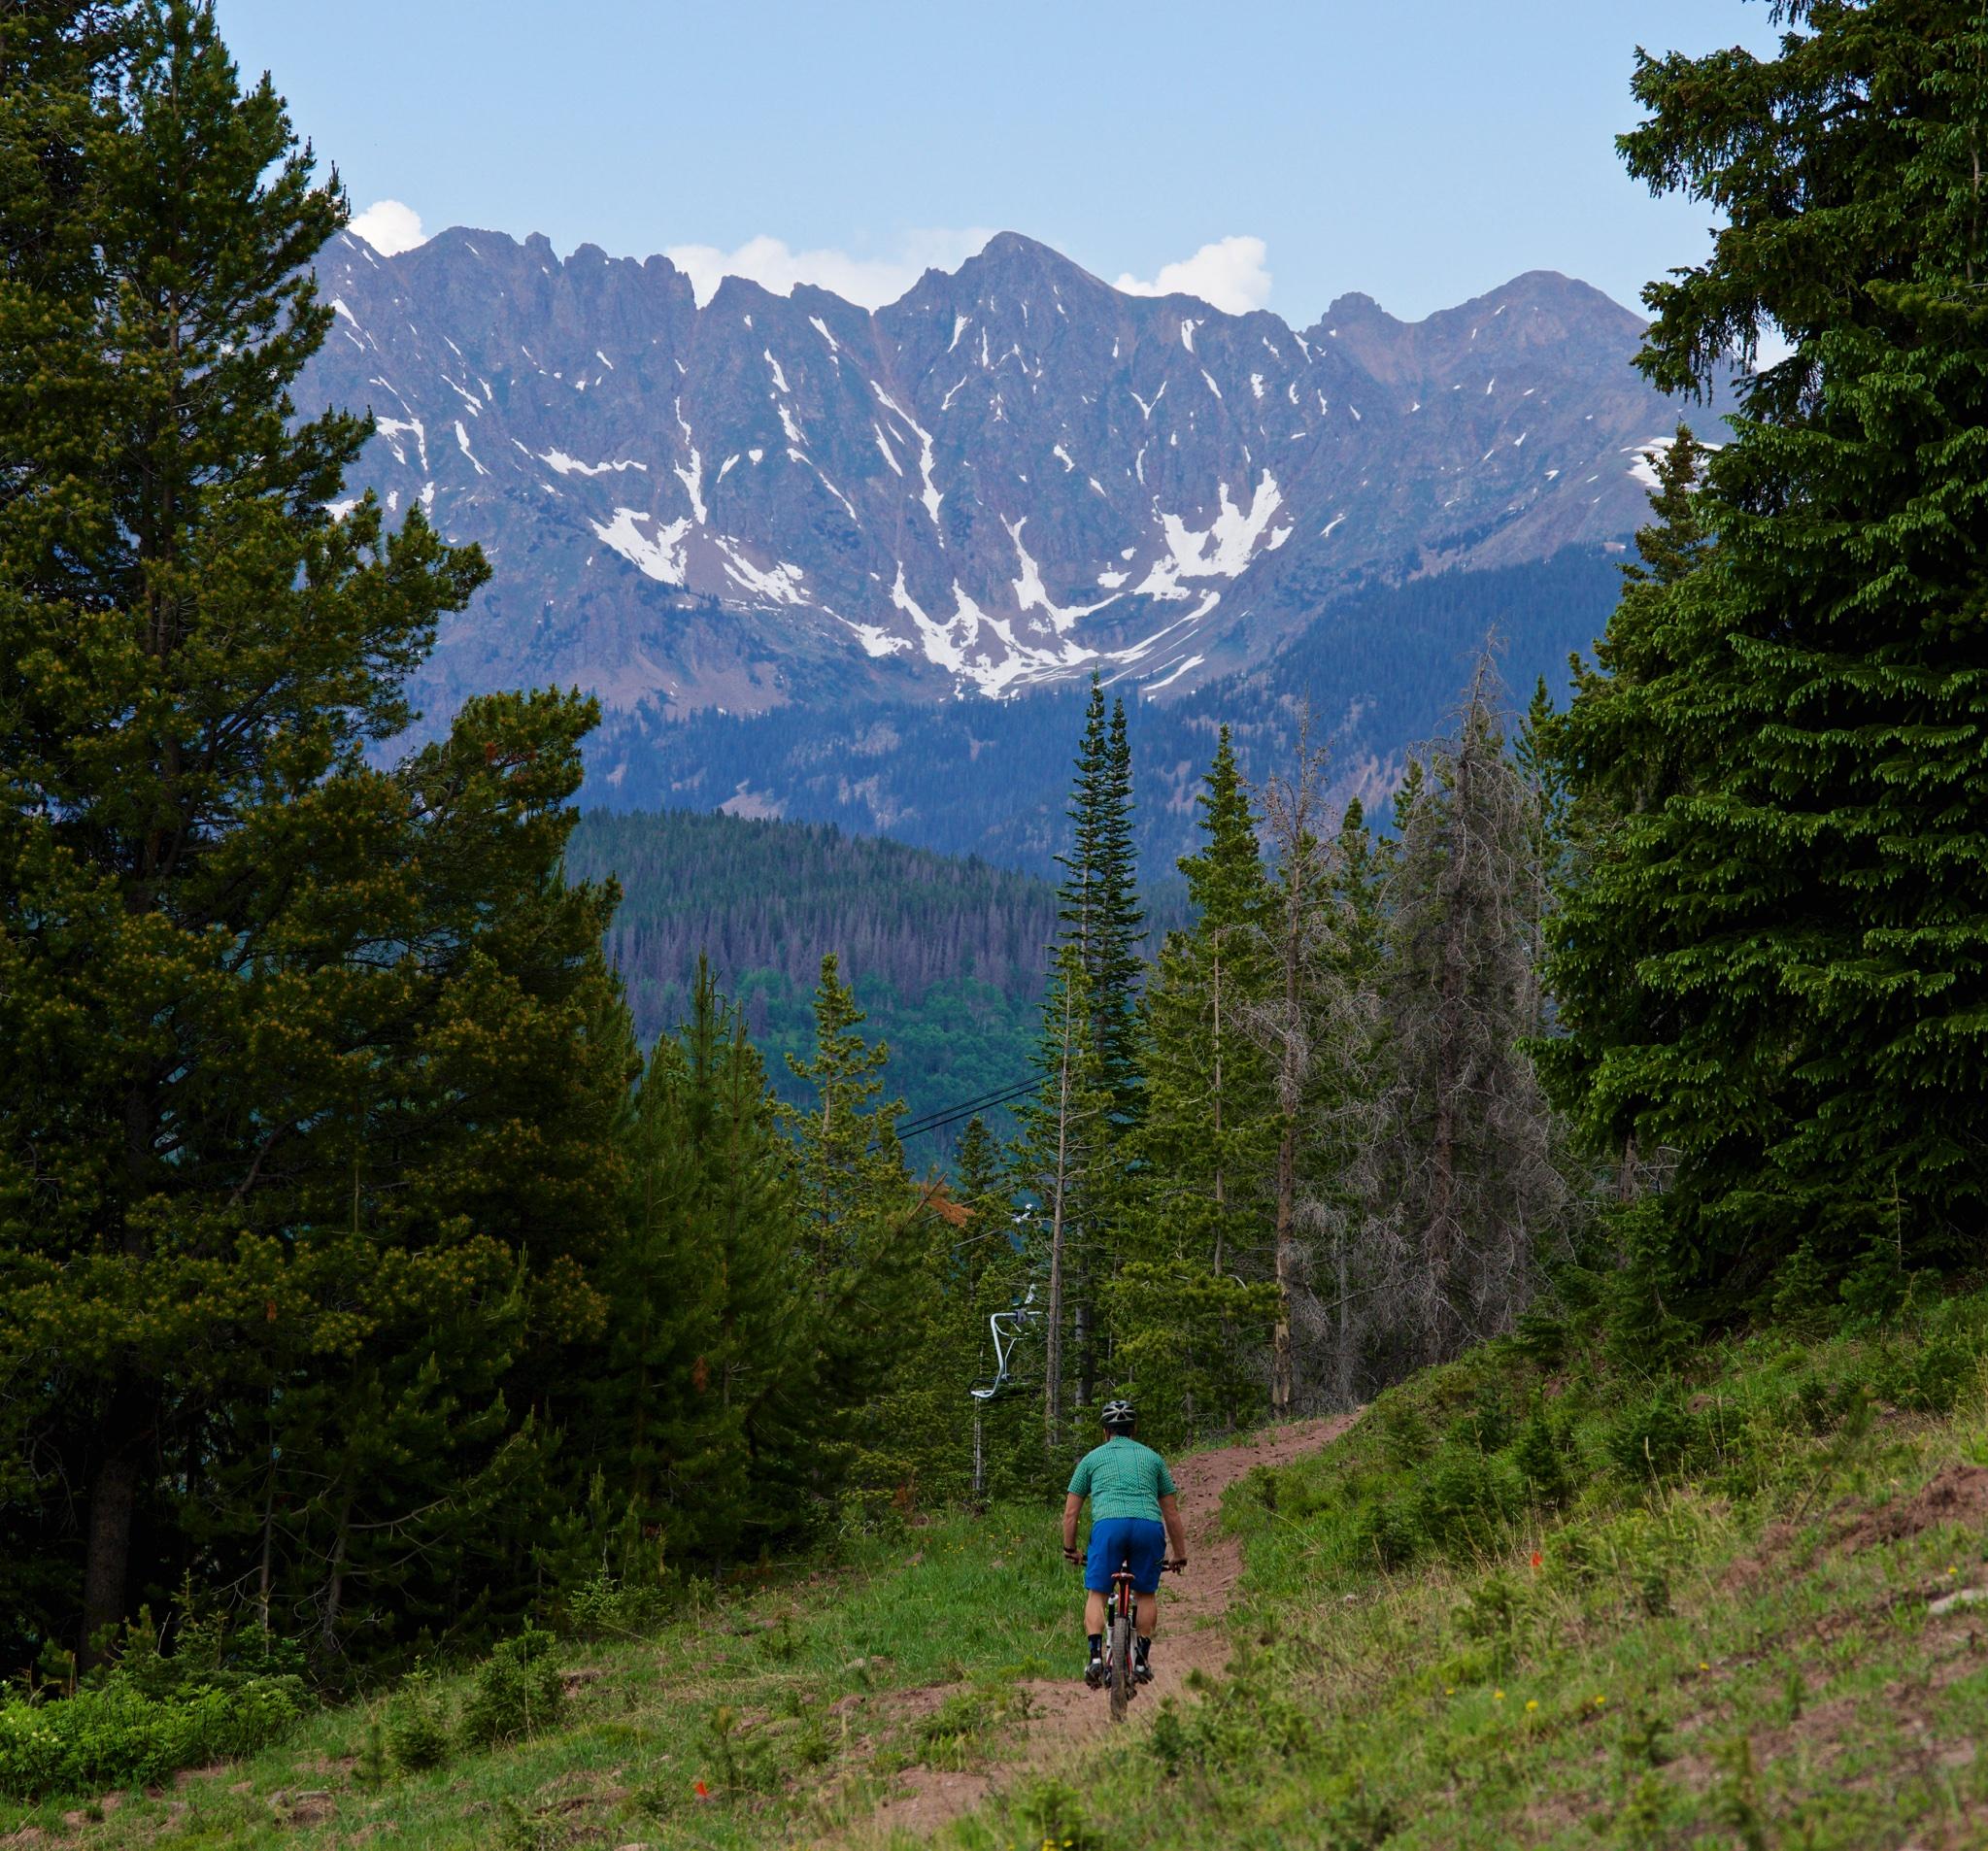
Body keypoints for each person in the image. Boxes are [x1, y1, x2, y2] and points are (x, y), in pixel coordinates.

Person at [1061, 1398, 1188, 1686]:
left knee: (1098, 1593)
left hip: (1109, 1527)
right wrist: (1179, 1554)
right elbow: (1171, 1512)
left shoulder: (1091, 1460)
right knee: (1145, 1595)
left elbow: (1071, 1513)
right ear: (1135, 1429)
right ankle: (1141, 1661)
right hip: (1147, 1526)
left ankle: (1095, 1657)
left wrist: (1070, 1549)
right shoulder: (1153, 1459)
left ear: (1105, 1431)